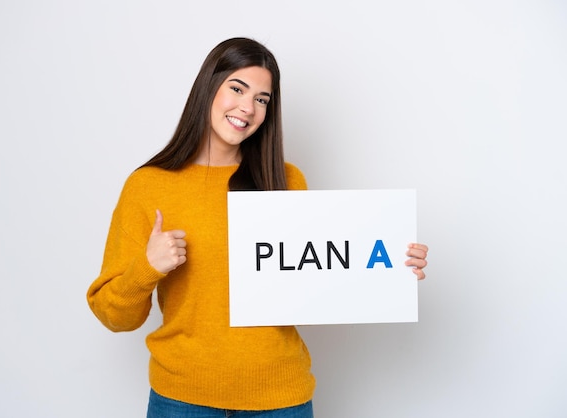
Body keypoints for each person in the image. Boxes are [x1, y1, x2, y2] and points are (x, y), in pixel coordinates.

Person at [87, 37, 429, 418]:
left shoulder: (286, 180)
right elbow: (114, 315)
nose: (247, 108)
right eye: (237, 88)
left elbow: (315, 282)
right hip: (181, 399)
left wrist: (388, 269)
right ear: (208, 88)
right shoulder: (149, 186)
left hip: (280, 397)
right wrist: (148, 267)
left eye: (262, 99)